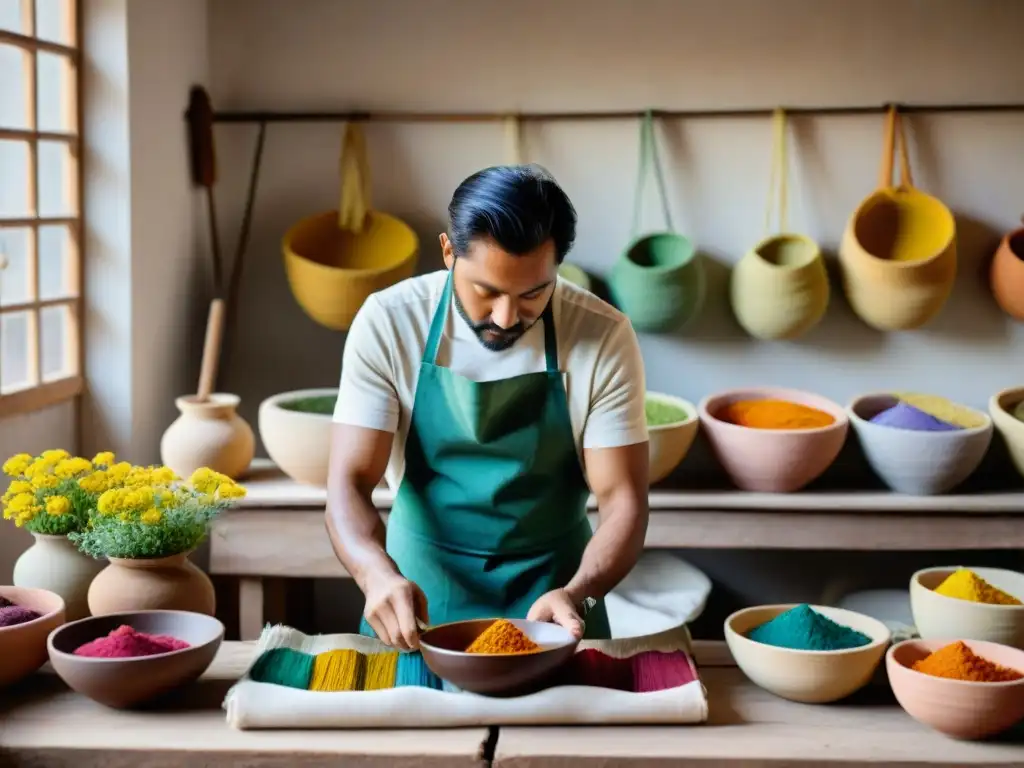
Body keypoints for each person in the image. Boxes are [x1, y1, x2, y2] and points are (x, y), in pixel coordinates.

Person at [326, 164, 650, 650]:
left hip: (557, 603)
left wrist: (580, 593)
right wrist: (374, 575)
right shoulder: (390, 323)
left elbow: (623, 500)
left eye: (533, 294)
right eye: (486, 291)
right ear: (448, 252)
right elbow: (348, 482)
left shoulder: (601, 335)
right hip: (419, 595)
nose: (505, 317)